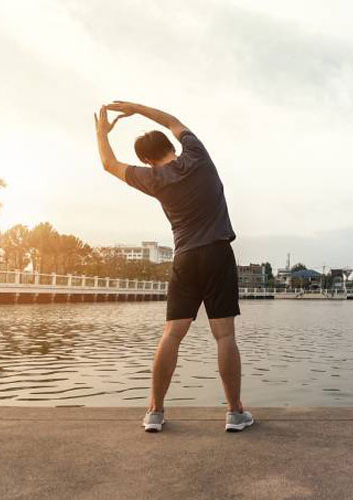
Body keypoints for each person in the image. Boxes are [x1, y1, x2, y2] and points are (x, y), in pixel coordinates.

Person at [93, 102, 253, 433]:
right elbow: (172, 120)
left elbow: (108, 164)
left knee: (172, 334)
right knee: (224, 335)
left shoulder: (152, 178)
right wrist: (134, 108)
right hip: (217, 253)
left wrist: (102, 132)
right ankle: (235, 413)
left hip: (185, 259)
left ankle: (154, 411)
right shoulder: (196, 154)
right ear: (170, 145)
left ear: (147, 160)